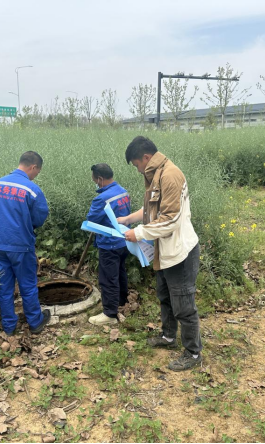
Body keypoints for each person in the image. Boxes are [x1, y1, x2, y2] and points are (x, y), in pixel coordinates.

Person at [118, 136, 202, 371]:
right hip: (164, 250)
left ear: (146, 158)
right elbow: (151, 209)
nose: (137, 169)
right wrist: (128, 219)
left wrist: (139, 233)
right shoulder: (157, 175)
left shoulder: (170, 175)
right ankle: (168, 336)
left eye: (137, 164)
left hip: (180, 253)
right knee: (165, 296)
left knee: (183, 304)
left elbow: (171, 219)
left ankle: (193, 353)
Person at [0, 151, 51, 335]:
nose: (35, 176)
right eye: (37, 172)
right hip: (21, 245)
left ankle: (9, 326)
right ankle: (35, 322)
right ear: (33, 167)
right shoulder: (31, 190)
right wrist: (27, 225)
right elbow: (40, 216)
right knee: (27, 284)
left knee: (4, 286)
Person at [86, 163, 131, 326]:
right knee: (120, 272)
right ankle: (122, 301)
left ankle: (110, 313)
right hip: (124, 240)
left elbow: (91, 220)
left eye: (95, 181)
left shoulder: (101, 198)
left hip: (109, 244)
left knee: (108, 278)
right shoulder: (123, 191)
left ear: (100, 178)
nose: (96, 184)